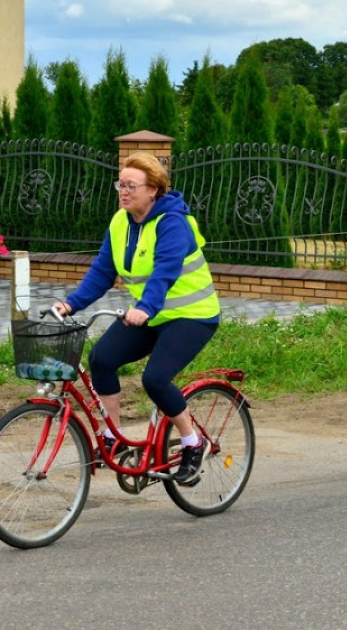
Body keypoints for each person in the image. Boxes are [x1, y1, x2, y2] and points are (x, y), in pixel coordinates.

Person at [53, 151, 220, 483]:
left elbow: (165, 272)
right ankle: (112, 436)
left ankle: (192, 441)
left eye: (131, 185)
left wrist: (145, 308)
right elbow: (102, 271)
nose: (123, 191)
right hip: (149, 317)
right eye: (120, 184)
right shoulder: (120, 222)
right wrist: (72, 304)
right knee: (101, 358)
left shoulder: (173, 223)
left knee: (155, 379)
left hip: (191, 316)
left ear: (153, 189)